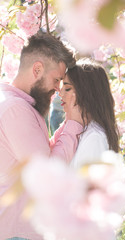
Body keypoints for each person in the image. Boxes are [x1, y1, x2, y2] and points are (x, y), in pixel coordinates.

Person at [0, 32, 83, 240]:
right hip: (17, 233)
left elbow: (43, 155)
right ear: (37, 69)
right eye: (56, 80)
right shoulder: (15, 109)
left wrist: (68, 123)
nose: (57, 89)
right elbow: (47, 174)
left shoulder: (15, 104)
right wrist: (74, 123)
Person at [58, 58, 119, 168]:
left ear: (86, 93)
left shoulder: (94, 138)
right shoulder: (82, 130)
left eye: (67, 88)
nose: (60, 94)